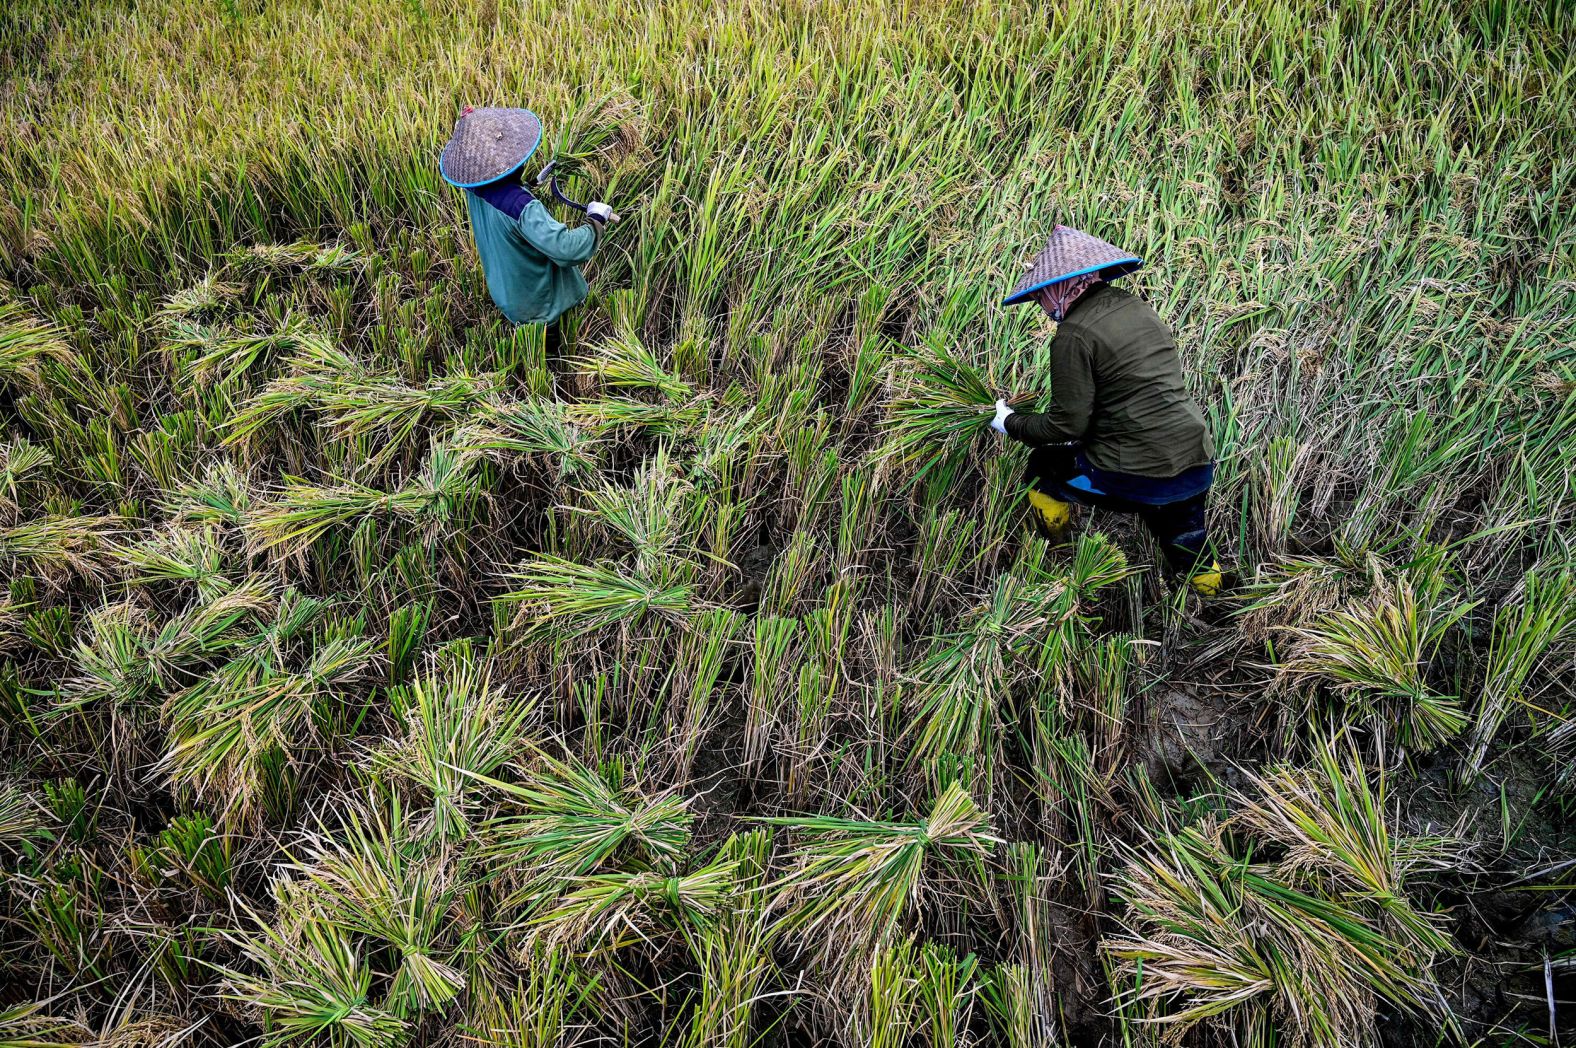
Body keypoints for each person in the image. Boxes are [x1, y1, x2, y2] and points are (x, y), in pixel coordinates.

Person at [992, 224, 1225, 596]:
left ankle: (1060, 555)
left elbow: (1066, 425)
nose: (1040, 304)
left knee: (1042, 469)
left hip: (1138, 475)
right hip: (1195, 458)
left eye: (1041, 294)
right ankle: (1215, 601)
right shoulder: (1137, 308)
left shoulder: (1072, 335)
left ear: (1066, 285)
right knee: (1186, 540)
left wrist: (1011, 423)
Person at [439, 106, 612, 326]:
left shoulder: (474, 188)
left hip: (509, 295)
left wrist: (528, 187)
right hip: (542, 308)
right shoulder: (522, 207)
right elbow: (566, 249)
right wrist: (596, 221)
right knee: (551, 355)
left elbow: (503, 206)